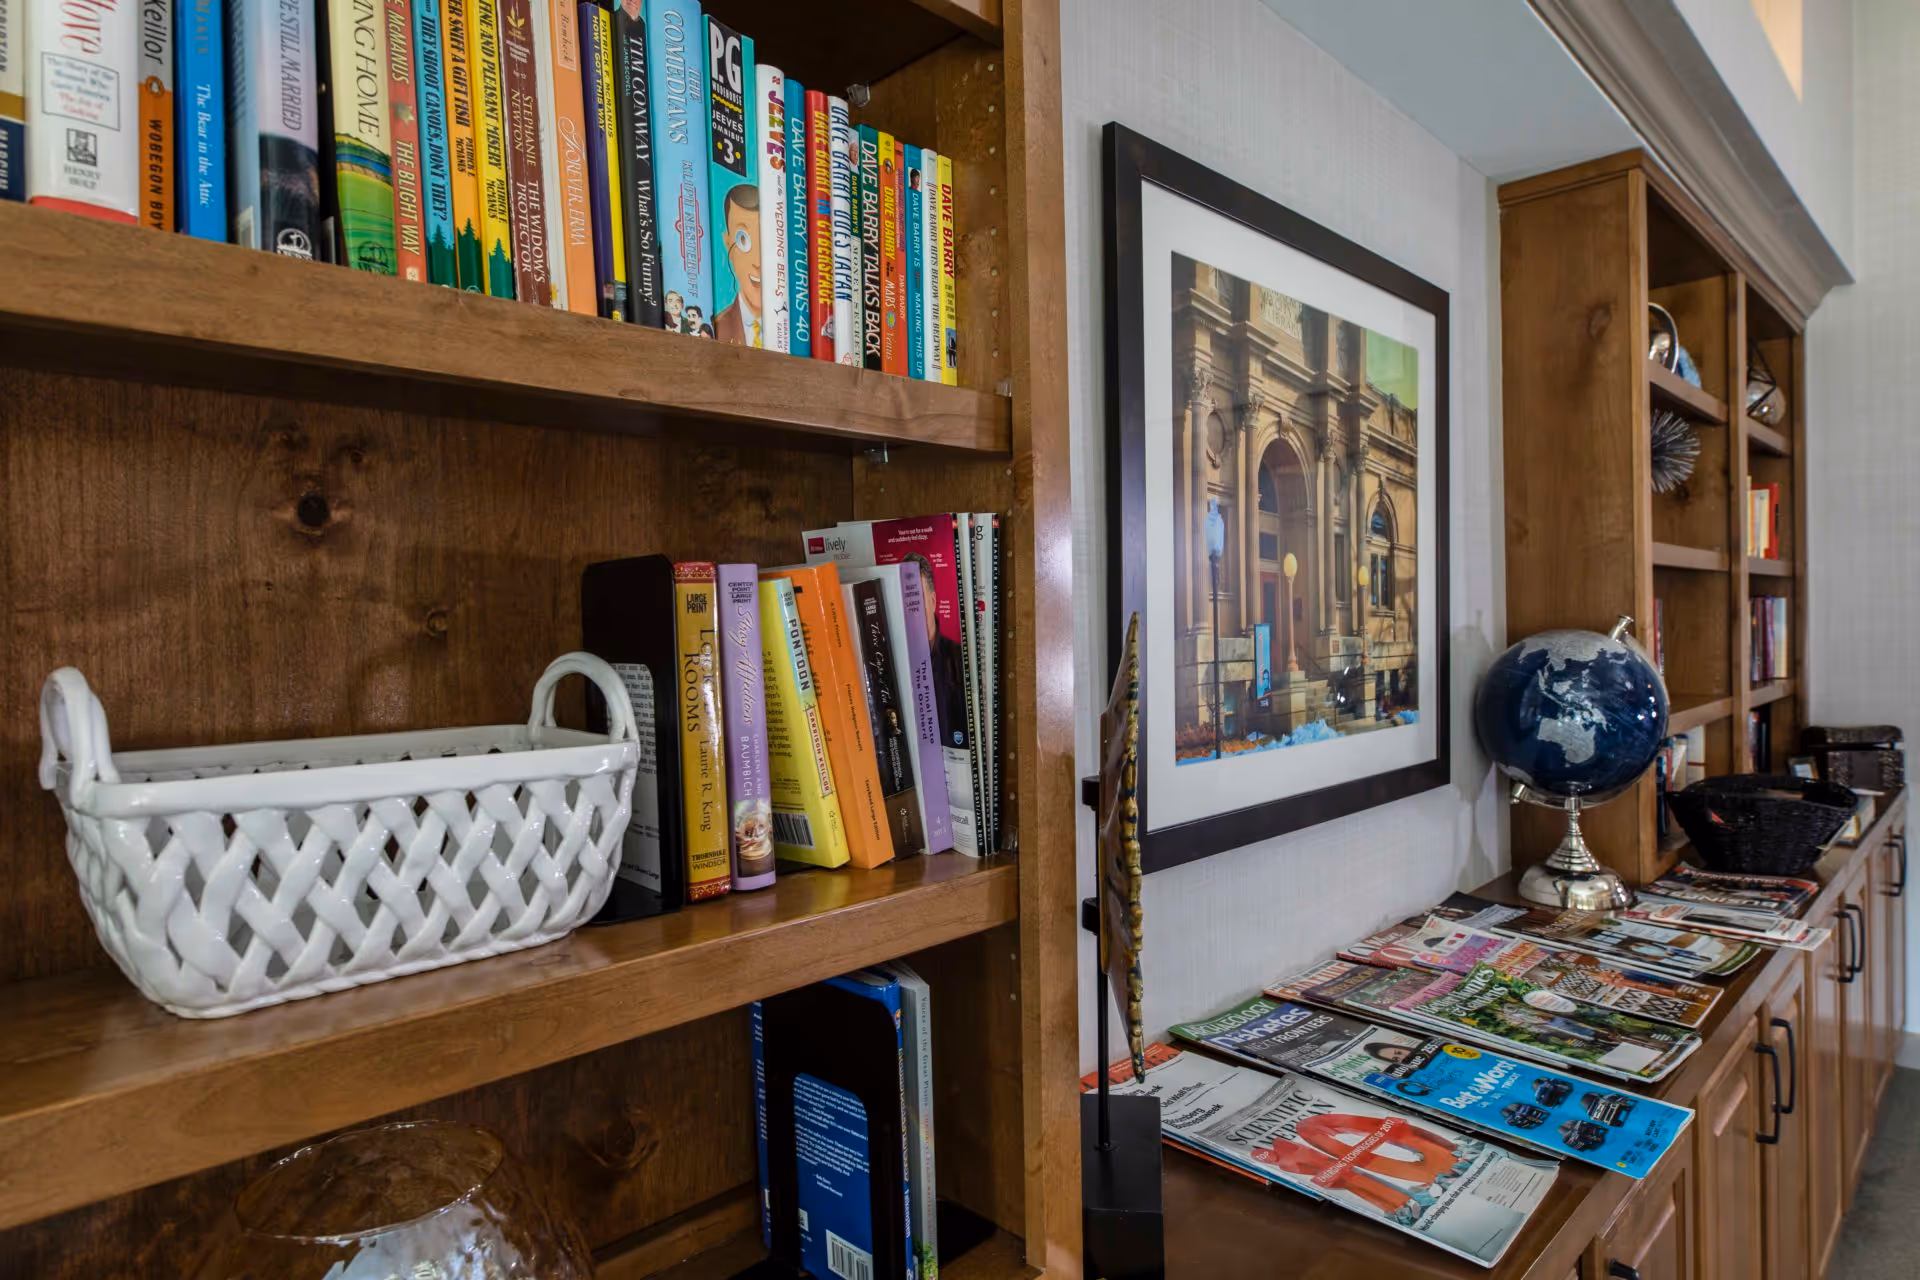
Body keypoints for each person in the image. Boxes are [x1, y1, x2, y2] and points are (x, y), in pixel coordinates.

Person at [905, 551, 968, 749]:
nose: (912, 610)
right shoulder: (893, 661)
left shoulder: (960, 659)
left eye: (918, 598)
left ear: (933, 601)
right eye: (907, 601)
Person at [713, 186, 763, 346]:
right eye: (743, 241)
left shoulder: (799, 332)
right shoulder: (716, 327)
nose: (757, 262)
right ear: (728, 245)